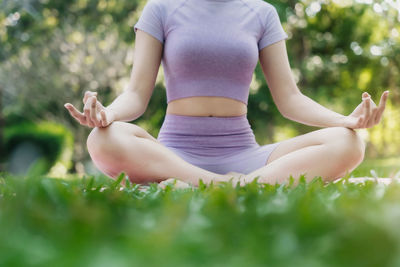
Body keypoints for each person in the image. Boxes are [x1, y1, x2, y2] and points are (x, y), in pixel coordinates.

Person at [64, 0, 389, 187]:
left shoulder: (262, 13)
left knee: (347, 142)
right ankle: (228, 186)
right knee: (102, 138)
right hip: (175, 155)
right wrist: (108, 114)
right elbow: (136, 93)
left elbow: (290, 99)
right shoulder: (161, 8)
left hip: (245, 156)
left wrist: (347, 120)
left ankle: (233, 185)